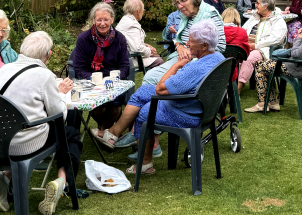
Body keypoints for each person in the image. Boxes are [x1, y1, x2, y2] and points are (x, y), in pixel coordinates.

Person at [91, 21, 228, 175]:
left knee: (144, 112)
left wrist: (176, 65)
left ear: (204, 45)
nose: (187, 43)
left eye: (191, 41)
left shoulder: (196, 67)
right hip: (201, 109)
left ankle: (144, 163)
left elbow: (160, 88)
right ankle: (113, 134)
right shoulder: (218, 57)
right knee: (143, 92)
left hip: (187, 112)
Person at [0, 32, 79, 215]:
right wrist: (61, 94)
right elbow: (58, 115)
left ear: (20, 51)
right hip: (28, 144)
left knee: (24, 130)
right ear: (48, 56)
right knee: (69, 134)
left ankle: (3, 177)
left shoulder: (4, 69)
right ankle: (61, 182)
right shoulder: (45, 75)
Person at [140, 0, 224, 93]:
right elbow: (177, 39)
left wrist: (194, 54)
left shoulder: (210, 14)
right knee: (150, 76)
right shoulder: (185, 16)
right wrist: (179, 47)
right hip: (181, 58)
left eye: (183, 1)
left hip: (200, 63)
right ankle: (152, 105)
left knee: (155, 79)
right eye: (177, 3)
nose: (179, 6)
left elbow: (220, 46)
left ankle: (158, 106)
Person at [250, 6, 302, 113]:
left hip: (297, 67)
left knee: (260, 65)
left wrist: (299, 38)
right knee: (266, 64)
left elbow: (296, 54)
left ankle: (262, 103)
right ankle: (273, 103)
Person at [69, 2, 131, 127]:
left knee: (116, 101)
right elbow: (79, 67)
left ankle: (102, 129)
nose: (102, 23)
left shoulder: (119, 38)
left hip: (113, 82)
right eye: (99, 20)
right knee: (97, 104)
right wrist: (95, 80)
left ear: (112, 19)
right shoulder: (83, 39)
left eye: (106, 19)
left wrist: (115, 80)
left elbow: (124, 65)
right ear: (93, 20)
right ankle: (106, 130)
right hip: (91, 81)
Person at [238, 0, 286, 96]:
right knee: (233, 57)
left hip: (264, 49)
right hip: (247, 46)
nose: (256, 5)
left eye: (258, 3)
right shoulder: (255, 17)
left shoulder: (277, 20)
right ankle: (228, 87)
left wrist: (256, 45)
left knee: (248, 59)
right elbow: (243, 29)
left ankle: (237, 90)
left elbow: (276, 38)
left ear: (266, 6)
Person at [115, 0, 164, 69]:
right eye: (143, 11)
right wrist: (149, 51)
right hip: (129, 58)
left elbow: (131, 42)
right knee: (159, 61)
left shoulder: (124, 21)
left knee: (156, 57)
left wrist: (145, 46)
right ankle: (155, 79)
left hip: (124, 55)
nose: (143, 13)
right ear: (138, 12)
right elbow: (137, 48)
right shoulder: (132, 25)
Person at [219, 8, 252, 82]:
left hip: (215, 68)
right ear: (237, 18)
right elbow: (245, 53)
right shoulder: (242, 32)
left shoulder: (216, 31)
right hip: (233, 69)